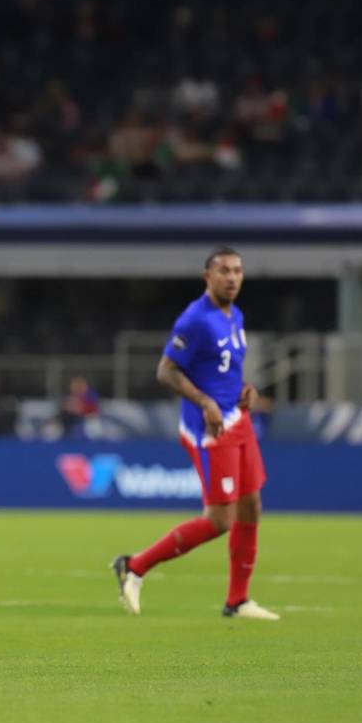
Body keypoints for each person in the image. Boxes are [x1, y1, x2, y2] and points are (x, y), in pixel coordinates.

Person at [112, 246, 279, 621]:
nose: (232, 277)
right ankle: (134, 566)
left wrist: (244, 389)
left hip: (238, 420)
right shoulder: (195, 319)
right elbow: (166, 371)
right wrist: (205, 402)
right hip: (210, 429)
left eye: (238, 270)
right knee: (219, 520)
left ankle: (237, 600)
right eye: (224, 271)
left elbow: (223, 369)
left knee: (251, 505)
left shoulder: (234, 315)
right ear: (208, 277)